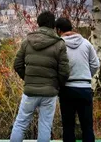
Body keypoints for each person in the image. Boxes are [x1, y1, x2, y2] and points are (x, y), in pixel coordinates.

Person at [10, 11, 70, 142]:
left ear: (38, 23)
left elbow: (17, 64)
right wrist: (57, 85)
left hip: (30, 92)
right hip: (49, 92)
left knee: (20, 124)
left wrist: (28, 79)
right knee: (45, 126)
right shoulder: (59, 44)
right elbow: (64, 71)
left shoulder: (27, 41)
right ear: (53, 25)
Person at [55, 17, 100, 142]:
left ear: (58, 30)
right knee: (87, 127)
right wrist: (85, 76)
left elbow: (55, 66)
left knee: (68, 128)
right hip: (85, 89)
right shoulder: (86, 43)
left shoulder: (58, 44)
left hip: (67, 89)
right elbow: (95, 64)